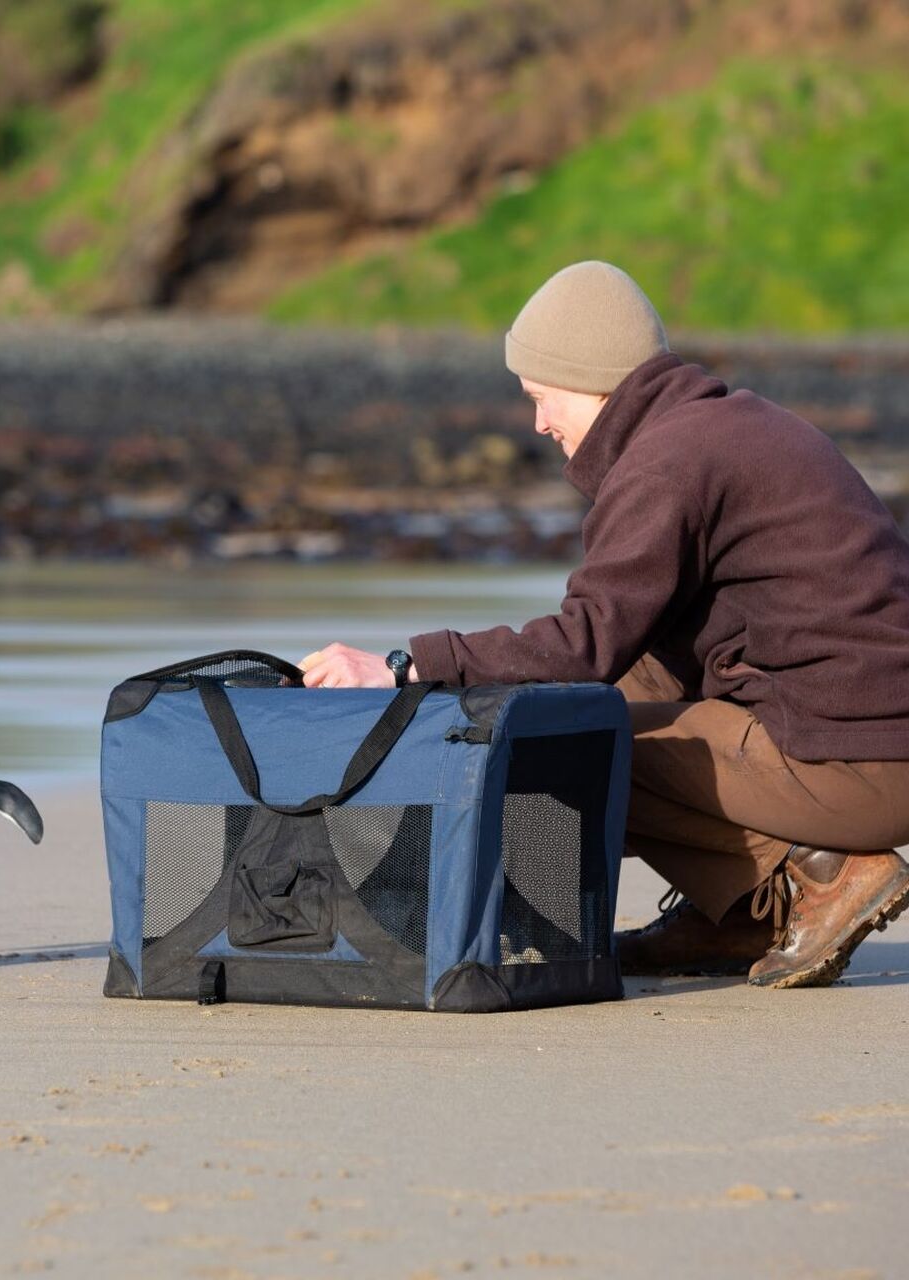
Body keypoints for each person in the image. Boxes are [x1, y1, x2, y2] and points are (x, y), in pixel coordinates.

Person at [299, 260, 909, 989]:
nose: (539, 423)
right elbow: (616, 646)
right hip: (862, 738)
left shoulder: (667, 463)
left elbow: (582, 641)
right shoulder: (722, 424)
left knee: (554, 747)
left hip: (860, 768)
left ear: (590, 377)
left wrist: (407, 666)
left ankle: (827, 872)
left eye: (540, 396)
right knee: (593, 691)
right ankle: (743, 910)